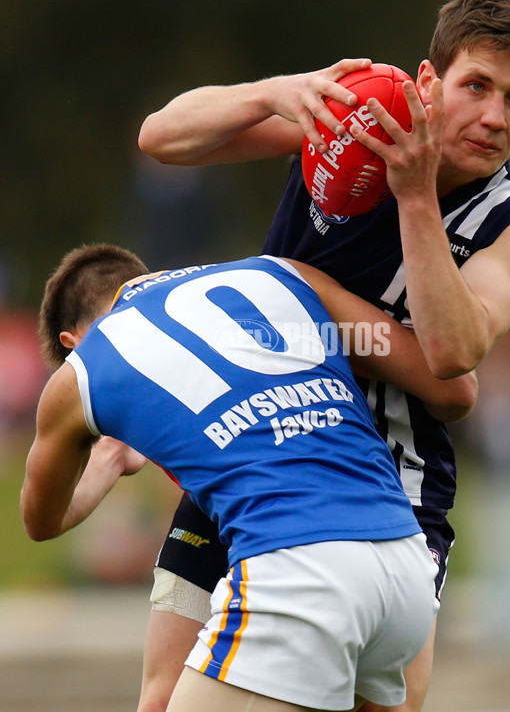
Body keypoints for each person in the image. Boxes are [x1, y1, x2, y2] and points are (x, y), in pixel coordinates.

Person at [137, 0, 510, 712]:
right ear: (428, 84)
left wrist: (413, 199)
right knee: (162, 696)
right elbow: (163, 139)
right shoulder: (364, 113)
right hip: (259, 446)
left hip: (396, 480)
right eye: (477, 86)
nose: (494, 116)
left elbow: (454, 354)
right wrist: (280, 93)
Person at [21, 242, 478, 712]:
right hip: (404, 561)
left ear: (71, 343)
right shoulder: (280, 274)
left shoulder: (84, 369)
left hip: (297, 571)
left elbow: (41, 520)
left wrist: (110, 456)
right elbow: (454, 388)